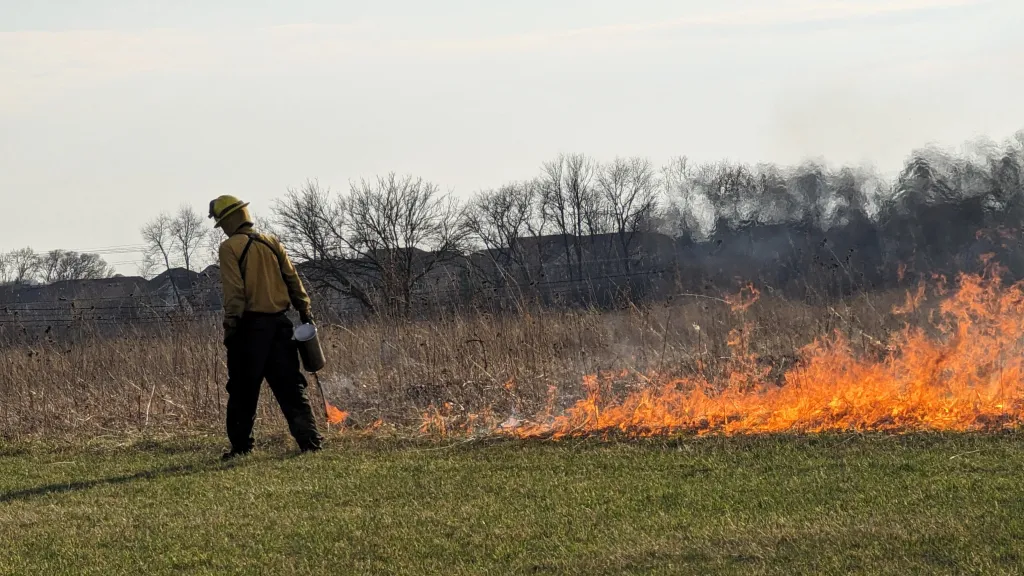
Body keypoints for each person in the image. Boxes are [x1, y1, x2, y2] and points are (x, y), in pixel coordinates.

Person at [208, 195, 324, 460]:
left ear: (227, 221)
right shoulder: (271, 242)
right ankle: (310, 441)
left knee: (242, 390)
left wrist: (231, 327)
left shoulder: (229, 248)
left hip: (249, 329)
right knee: (291, 387)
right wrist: (305, 311)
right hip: (282, 326)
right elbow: (294, 281)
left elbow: (235, 294)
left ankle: (241, 448)